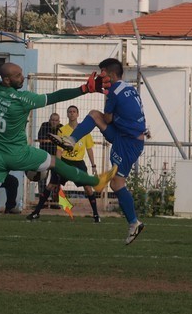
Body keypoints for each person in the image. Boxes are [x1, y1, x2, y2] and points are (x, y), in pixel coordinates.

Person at [0, 40, 116, 252]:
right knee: (54, 161)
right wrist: (84, 89)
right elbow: (55, 96)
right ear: (7, 80)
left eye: (21, 73)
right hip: (18, 153)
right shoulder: (23, 99)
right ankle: (94, 182)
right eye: (17, 76)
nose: (22, 77)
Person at [50, 58, 147, 245]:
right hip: (125, 136)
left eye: (102, 74)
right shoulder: (127, 87)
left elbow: (109, 119)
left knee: (117, 185)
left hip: (128, 142)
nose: (101, 78)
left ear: (110, 74)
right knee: (94, 114)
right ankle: (71, 140)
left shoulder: (113, 93)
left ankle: (134, 223)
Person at [29, 105, 102, 223]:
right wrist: (58, 164)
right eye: (69, 112)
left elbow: (89, 149)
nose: (72, 113)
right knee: (51, 185)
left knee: (88, 187)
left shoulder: (84, 130)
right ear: (67, 114)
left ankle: (96, 215)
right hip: (65, 162)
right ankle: (36, 212)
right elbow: (59, 149)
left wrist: (93, 165)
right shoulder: (62, 130)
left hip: (78, 163)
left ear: (77, 114)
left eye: (74, 112)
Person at [33, 112, 61, 196]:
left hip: (56, 157)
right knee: (42, 178)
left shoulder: (61, 127)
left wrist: (50, 138)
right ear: (49, 120)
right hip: (44, 156)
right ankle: (42, 198)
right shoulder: (44, 125)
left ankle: (54, 201)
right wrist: (55, 140)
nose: (54, 122)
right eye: (52, 120)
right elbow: (40, 138)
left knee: (56, 179)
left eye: (56, 120)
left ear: (59, 121)